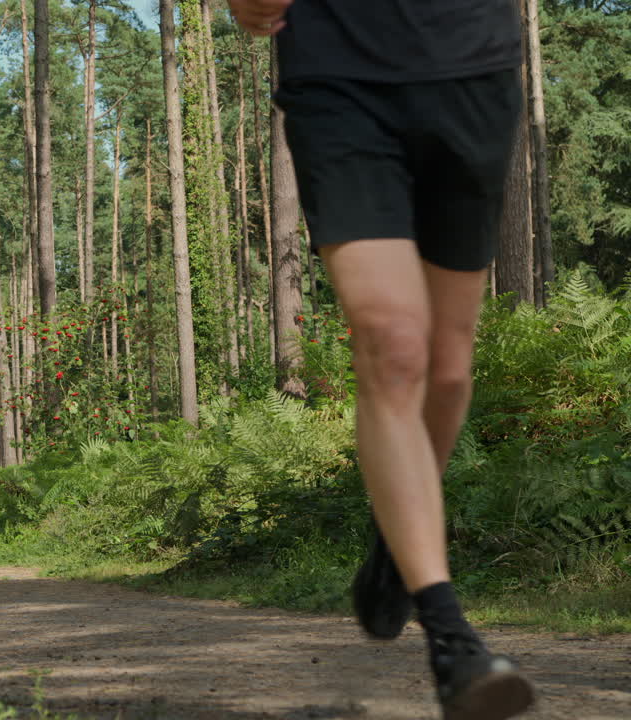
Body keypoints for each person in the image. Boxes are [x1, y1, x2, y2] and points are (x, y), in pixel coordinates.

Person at [225, 1, 535, 719]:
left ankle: (397, 547)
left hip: (472, 67)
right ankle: (452, 641)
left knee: (449, 368)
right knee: (393, 343)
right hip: (337, 73)